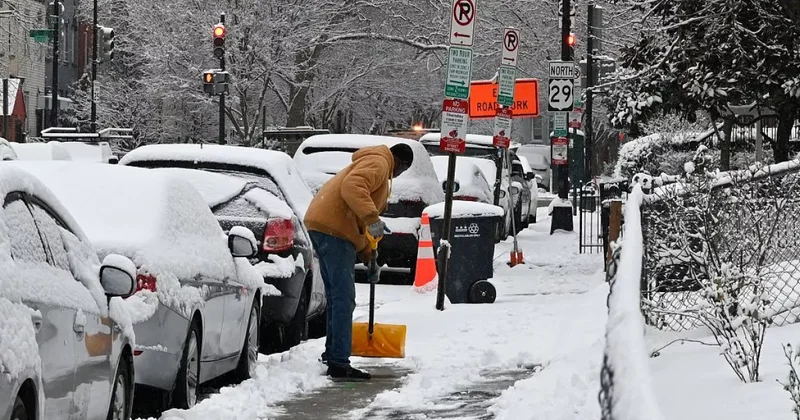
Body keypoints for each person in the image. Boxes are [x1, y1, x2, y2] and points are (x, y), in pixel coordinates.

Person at [304, 142, 414, 380]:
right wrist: (373, 220)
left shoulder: (377, 163)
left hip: (325, 225)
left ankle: (333, 354)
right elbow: (353, 188)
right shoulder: (381, 162)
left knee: (336, 297)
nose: (398, 175)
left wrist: (368, 257)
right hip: (335, 229)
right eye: (402, 171)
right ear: (401, 164)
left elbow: (358, 222)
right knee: (344, 298)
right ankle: (338, 363)